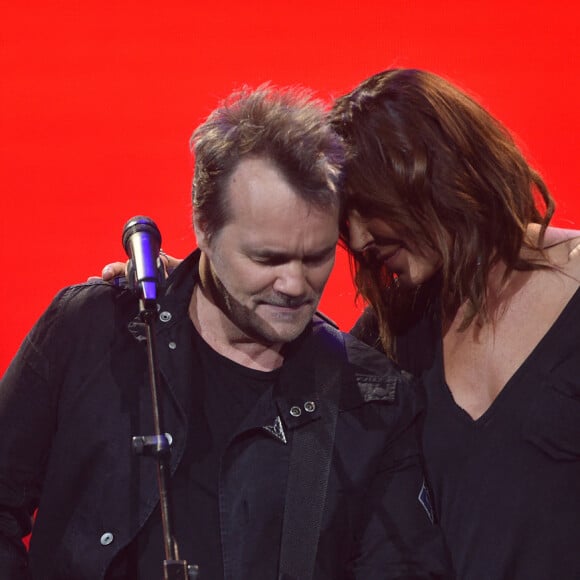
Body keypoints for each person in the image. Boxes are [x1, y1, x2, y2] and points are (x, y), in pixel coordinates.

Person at [0, 86, 450, 579]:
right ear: (204, 229)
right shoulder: (89, 329)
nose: (296, 285)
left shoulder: (371, 401)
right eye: (268, 258)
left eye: (316, 257)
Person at [330, 69, 580, 579]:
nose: (357, 241)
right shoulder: (395, 329)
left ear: (432, 174)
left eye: (368, 207)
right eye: (344, 217)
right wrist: (208, 292)